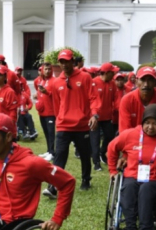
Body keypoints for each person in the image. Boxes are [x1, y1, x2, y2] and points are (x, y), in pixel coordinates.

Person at [43, 49, 99, 198]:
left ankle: (86, 180)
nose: (64, 64)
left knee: (85, 155)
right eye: (61, 62)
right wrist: (59, 118)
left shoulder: (85, 77)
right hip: (63, 125)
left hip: (81, 125)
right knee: (59, 155)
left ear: (72, 61)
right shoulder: (56, 82)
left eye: (67, 61)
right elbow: (56, 104)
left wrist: (94, 115)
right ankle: (54, 186)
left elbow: (93, 98)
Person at [118, 66, 156, 133]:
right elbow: (124, 131)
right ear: (136, 82)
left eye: (150, 80)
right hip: (133, 141)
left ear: (155, 83)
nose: (146, 84)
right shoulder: (127, 100)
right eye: (143, 79)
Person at [91, 62, 118, 171]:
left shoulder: (112, 84)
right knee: (95, 140)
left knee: (110, 136)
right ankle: (96, 162)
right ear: (106, 73)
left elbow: (115, 100)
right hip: (95, 117)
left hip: (107, 117)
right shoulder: (94, 83)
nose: (114, 74)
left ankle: (103, 153)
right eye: (113, 72)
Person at [34, 63, 56, 161]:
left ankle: (52, 152)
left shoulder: (54, 81)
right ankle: (48, 150)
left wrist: (46, 92)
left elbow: (56, 96)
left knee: (51, 133)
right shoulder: (42, 81)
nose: (47, 71)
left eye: (49, 69)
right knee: (46, 132)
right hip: (42, 112)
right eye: (45, 69)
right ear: (42, 70)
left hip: (50, 112)